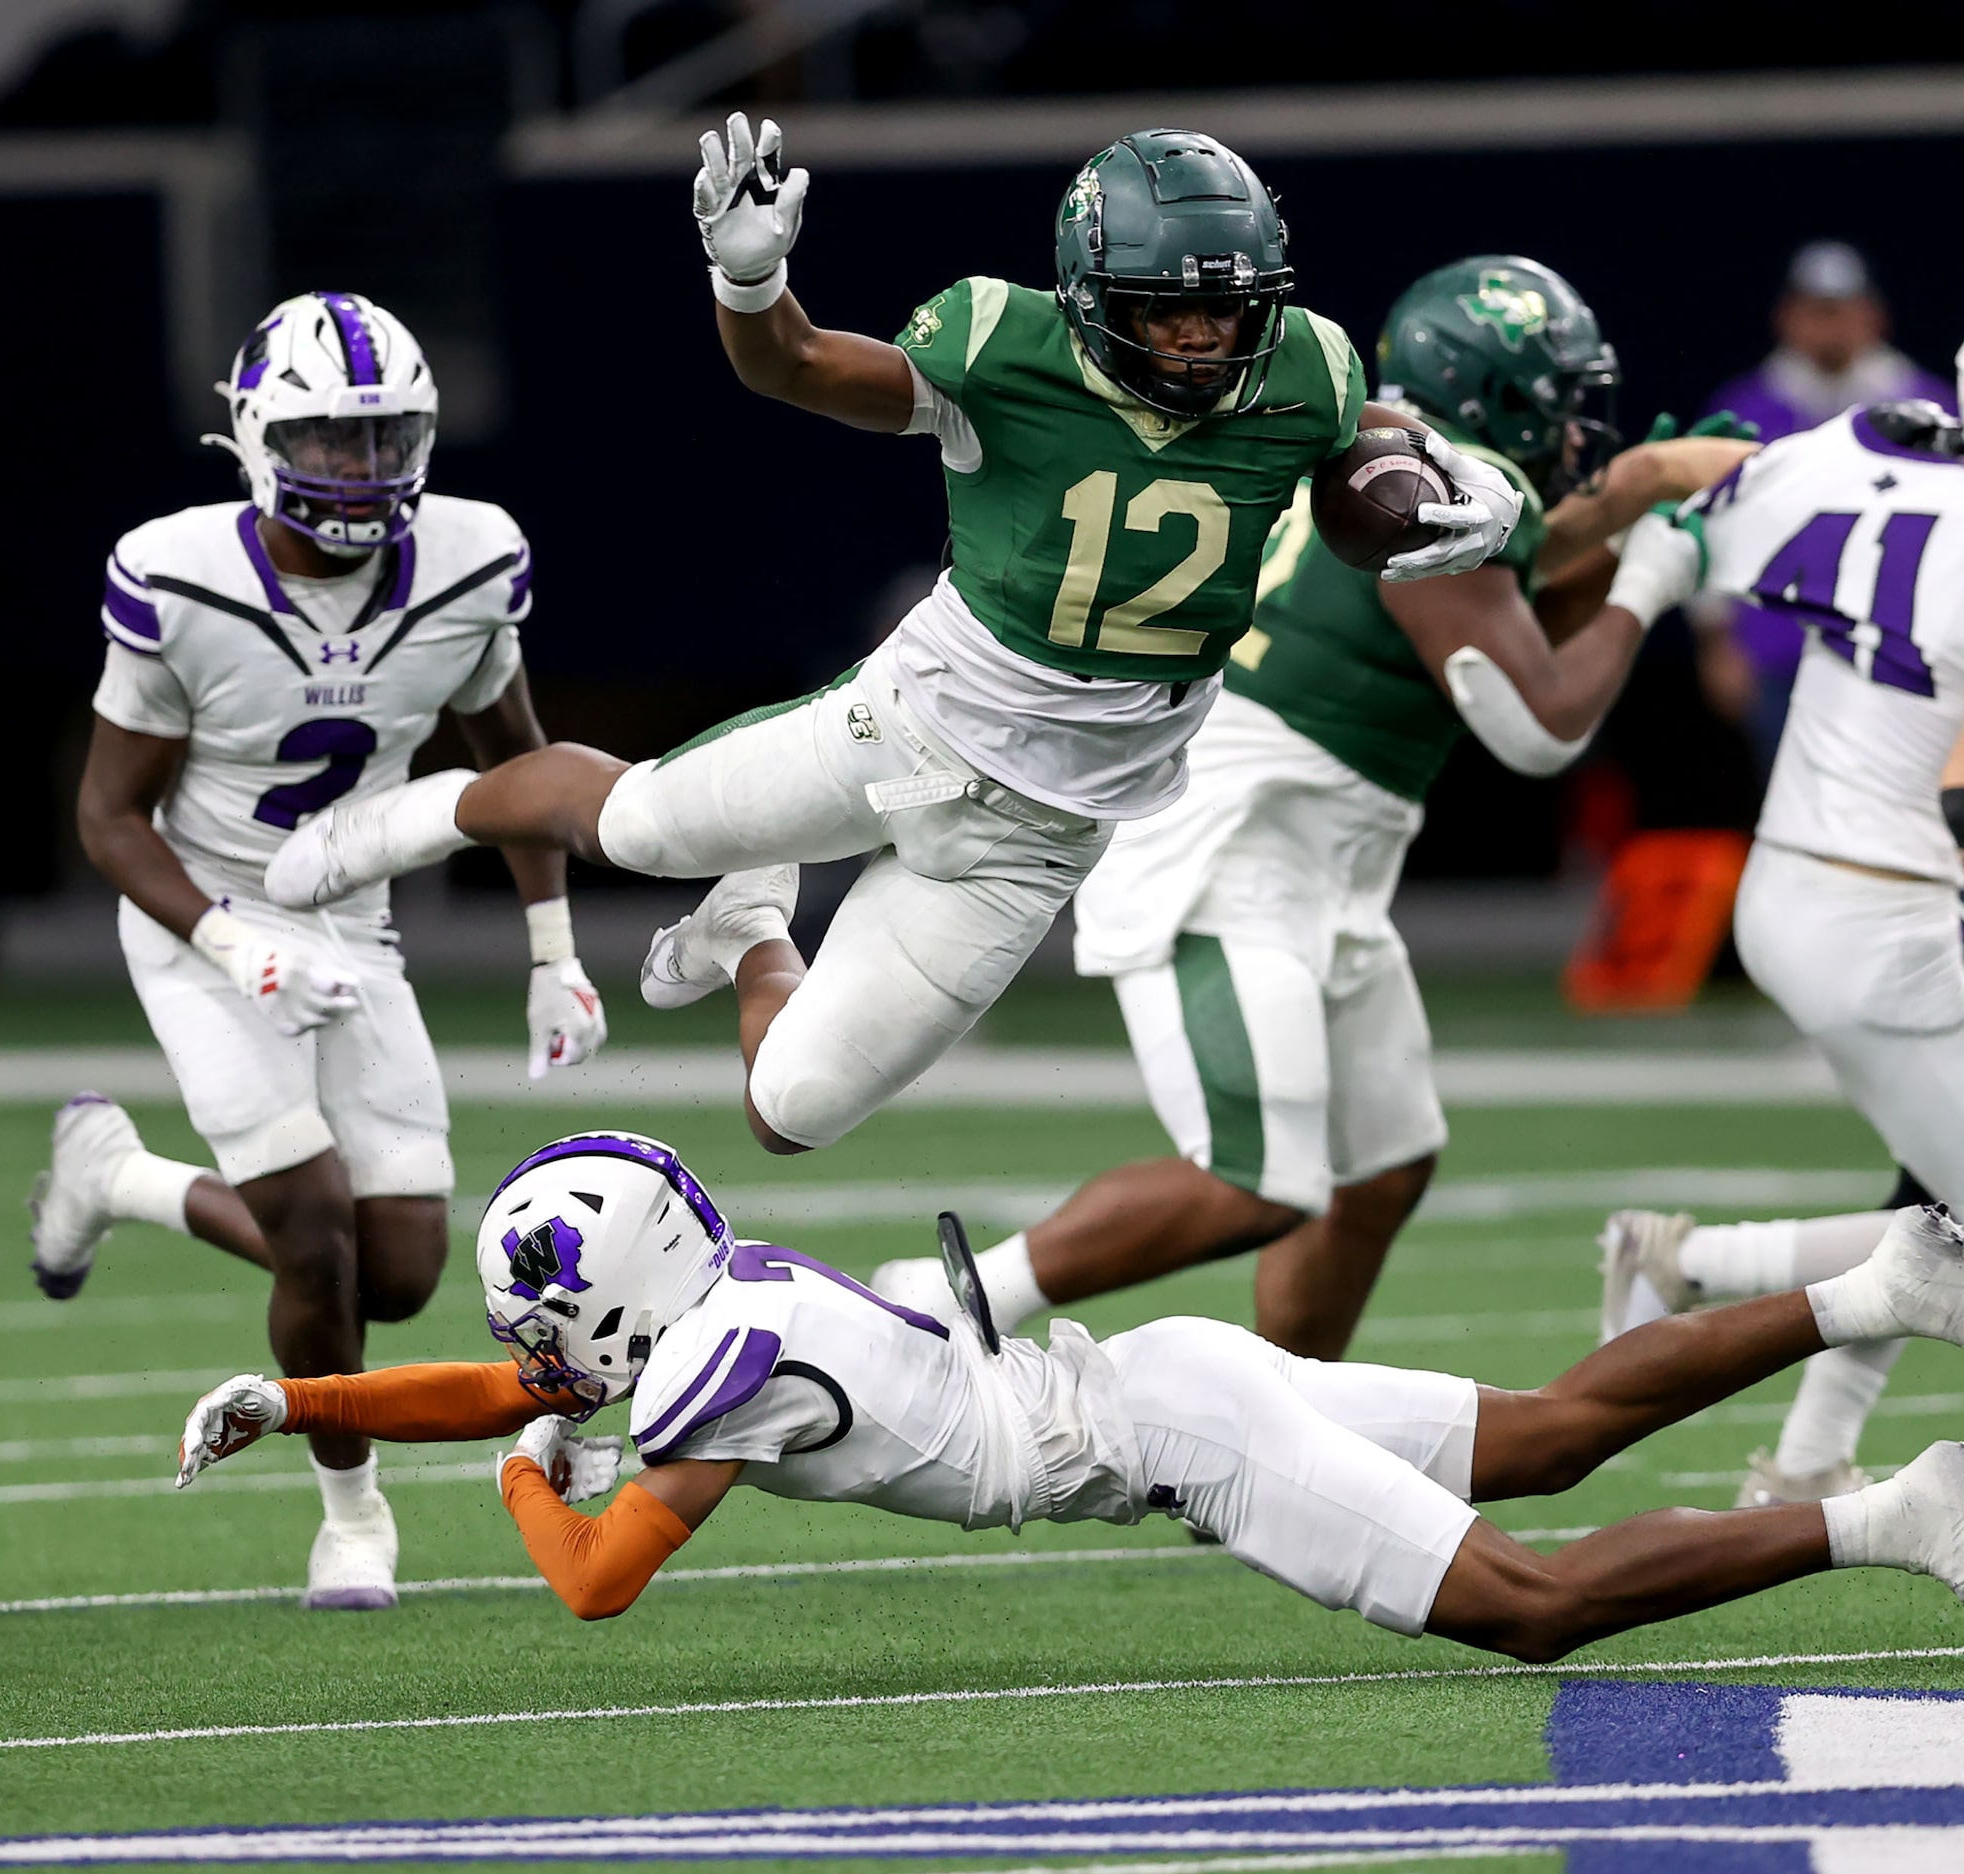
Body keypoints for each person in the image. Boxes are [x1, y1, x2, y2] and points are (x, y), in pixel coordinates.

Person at [259, 117, 1521, 1159]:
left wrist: (1464, 482)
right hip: (905, 734)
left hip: (1041, 840)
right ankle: (406, 821)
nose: (1201, 339)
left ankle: (753, 923)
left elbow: (1373, 450)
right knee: (635, 825)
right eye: (1165, 311)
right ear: (1090, 296)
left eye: (1227, 312)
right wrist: (752, 283)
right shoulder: (1003, 343)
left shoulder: (1306, 367)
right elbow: (796, 367)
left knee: (787, 1115)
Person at [178, 1130, 1964, 1669]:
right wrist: (302, 1399)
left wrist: (527, 1469)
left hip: (1173, 1429)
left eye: (554, 1334)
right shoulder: (717, 1292)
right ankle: (1875, 1282)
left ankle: (1897, 1509)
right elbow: (505, 1370)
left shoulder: (707, 1372)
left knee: (1537, 1600)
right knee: (1549, 1428)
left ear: (617, 1299)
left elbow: (592, 1575)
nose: (544, 1368)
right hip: (1160, 1377)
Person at [869, 256, 1751, 1353]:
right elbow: (1539, 727)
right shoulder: (1440, 485)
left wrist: (1634, 497)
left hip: (1313, 852)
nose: (1578, 432)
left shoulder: (1401, 463)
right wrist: (1650, 577)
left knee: (1380, 1168)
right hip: (1234, 850)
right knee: (1256, 1182)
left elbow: (1513, 574)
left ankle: (1288, 1422)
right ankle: (942, 1297)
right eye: (1561, 401)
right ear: (1494, 396)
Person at [35, 290, 608, 1609]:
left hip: (351, 922)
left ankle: (115, 1176)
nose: (357, 470)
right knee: (312, 1239)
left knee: (397, 1271)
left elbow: (514, 763)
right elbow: (107, 816)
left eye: (380, 438)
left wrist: (550, 944)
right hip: (200, 913)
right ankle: (353, 1516)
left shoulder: (472, 561)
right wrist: (233, 947)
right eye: (327, 440)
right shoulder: (179, 576)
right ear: (251, 435)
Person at [1599, 287, 1964, 1508]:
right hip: (1875, 917)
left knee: (1935, 1188)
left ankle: (1810, 1460)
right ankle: (1685, 1260)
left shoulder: (1869, 462)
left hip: (1795, 890)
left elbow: (1682, 494)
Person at [1693, 241, 1957, 771]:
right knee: (1793, 794)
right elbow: (1706, 523)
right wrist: (1715, 641)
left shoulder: (1927, 410)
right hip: (1775, 647)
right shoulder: (1743, 409)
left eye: (1841, 311)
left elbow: (1959, 529)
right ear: (1787, 318)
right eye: (1817, 311)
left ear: (1871, 316)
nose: (1830, 326)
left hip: (1897, 645)